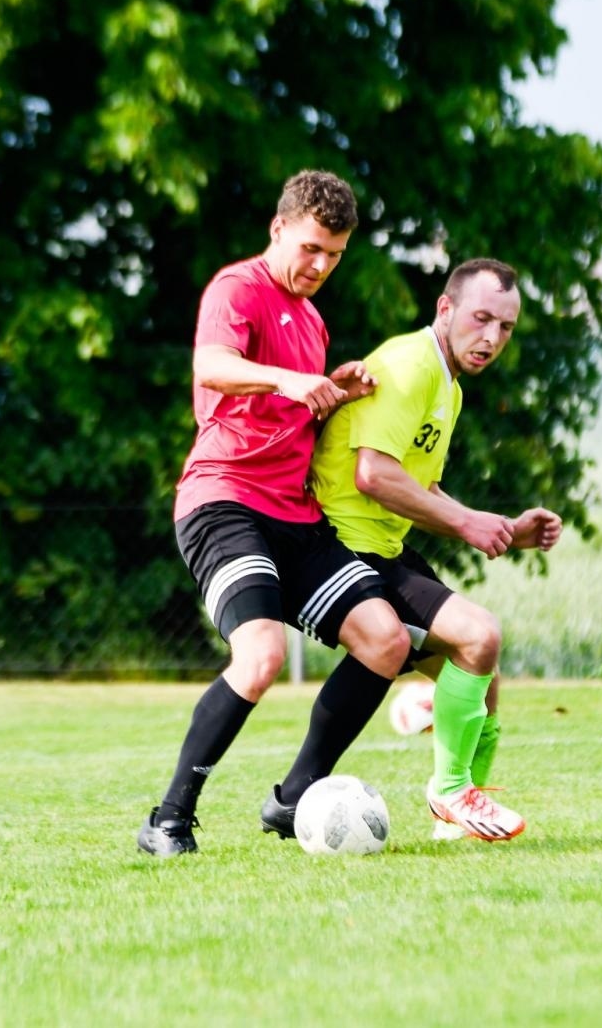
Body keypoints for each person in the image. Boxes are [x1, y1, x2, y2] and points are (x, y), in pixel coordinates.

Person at [138, 170, 414, 858]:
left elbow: (293, 415)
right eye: (312, 248)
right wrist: (292, 379)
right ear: (279, 229)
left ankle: (295, 799)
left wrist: (336, 391)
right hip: (223, 501)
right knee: (260, 655)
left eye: (336, 255)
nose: (320, 266)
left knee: (387, 640)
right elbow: (213, 365)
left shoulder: (313, 322)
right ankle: (168, 818)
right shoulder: (239, 289)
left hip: (293, 514)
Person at [259, 257, 562, 843]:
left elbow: (418, 485)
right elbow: (374, 473)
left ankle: (460, 813)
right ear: (445, 309)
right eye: (481, 319)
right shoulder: (409, 364)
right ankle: (449, 794)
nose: (492, 338)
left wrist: (501, 526)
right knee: (478, 635)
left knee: (479, 666)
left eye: (506, 327)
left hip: (380, 549)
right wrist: (469, 522)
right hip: (341, 549)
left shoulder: (447, 387)